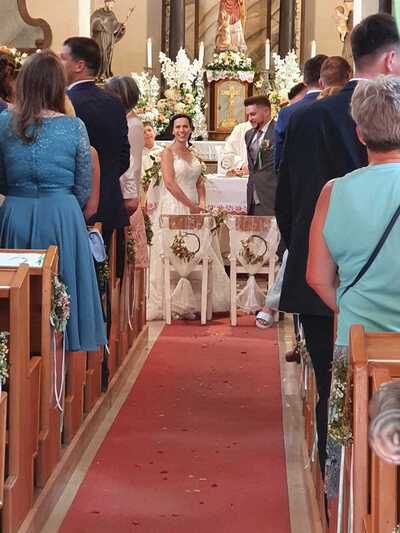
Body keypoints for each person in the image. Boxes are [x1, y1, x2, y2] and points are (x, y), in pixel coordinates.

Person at [275, 13, 400, 473]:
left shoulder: (303, 116)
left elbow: (286, 199)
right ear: (391, 59)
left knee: (339, 395)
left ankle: (346, 487)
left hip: (331, 288)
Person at [307, 75, 400, 498]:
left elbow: (316, 277)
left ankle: (352, 511)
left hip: (358, 344)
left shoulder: (334, 192)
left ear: (359, 133)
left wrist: (349, 306)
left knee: (357, 464)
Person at [0, 51, 106, 352]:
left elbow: (1, 177)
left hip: (16, 212)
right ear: (58, 86)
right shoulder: (74, 127)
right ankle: (61, 363)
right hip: (62, 214)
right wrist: (63, 201)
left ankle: (20, 358)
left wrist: (19, 193)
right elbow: (83, 185)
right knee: (64, 287)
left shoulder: (4, 123)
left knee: (18, 293)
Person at [147, 114, 230, 320]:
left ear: (191, 129)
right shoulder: (167, 153)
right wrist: (191, 206)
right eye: (178, 127)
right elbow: (169, 183)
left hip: (194, 207)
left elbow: (200, 181)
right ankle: (174, 301)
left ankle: (196, 300)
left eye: (185, 126)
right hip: (175, 206)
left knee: (198, 251)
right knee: (177, 252)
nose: (182, 130)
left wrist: (201, 203)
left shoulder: (194, 153)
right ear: (172, 130)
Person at [60, 36, 130, 278]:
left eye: (63, 58)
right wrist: (106, 180)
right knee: (107, 284)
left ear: (79, 65)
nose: (59, 64)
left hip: (76, 208)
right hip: (110, 204)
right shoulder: (114, 103)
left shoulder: (66, 104)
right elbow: (124, 157)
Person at [274, 55, 327, 172]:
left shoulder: (286, 113)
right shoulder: (341, 106)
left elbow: (279, 159)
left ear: (305, 82)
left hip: (297, 178)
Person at [104, 75, 143, 215]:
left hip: (126, 193)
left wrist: (129, 195)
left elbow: (134, 163)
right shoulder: (119, 119)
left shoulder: (133, 125)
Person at [244, 95, 277, 216]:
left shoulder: (279, 131)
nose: (250, 119)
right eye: (248, 115)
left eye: (253, 114)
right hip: (252, 197)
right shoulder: (248, 135)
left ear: (266, 111)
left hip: (272, 196)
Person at [91, 0, 126, 80]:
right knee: (102, 55)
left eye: (113, 4)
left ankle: (106, 73)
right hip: (101, 38)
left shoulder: (112, 14)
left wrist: (121, 27)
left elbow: (115, 26)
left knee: (108, 56)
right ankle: (100, 74)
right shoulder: (97, 13)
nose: (112, 6)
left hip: (109, 38)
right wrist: (104, 25)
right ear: (106, 2)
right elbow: (94, 23)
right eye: (111, 4)